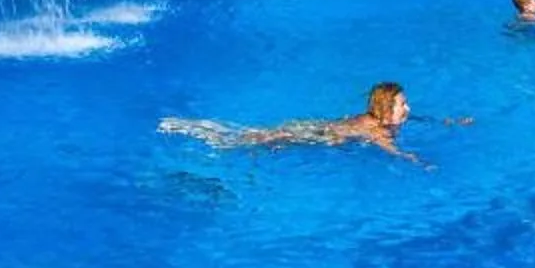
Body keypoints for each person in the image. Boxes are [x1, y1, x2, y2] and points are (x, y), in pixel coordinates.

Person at [160, 82, 427, 161]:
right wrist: (417, 160)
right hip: (315, 135)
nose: (408, 107)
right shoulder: (378, 130)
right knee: (246, 142)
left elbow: (418, 117)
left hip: (315, 127)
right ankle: (198, 131)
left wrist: (451, 122)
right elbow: (393, 151)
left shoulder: (378, 119)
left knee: (262, 137)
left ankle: (198, 128)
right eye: (402, 104)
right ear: (385, 109)